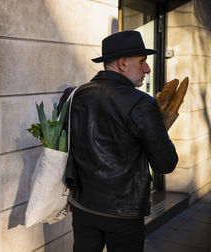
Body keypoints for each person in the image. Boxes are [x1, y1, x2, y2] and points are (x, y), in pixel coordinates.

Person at [58, 30, 178, 251]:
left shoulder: (73, 96)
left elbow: (66, 150)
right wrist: (160, 127)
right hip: (124, 215)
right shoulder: (142, 103)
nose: (147, 69)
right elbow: (166, 163)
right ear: (123, 64)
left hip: (82, 207)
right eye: (142, 62)